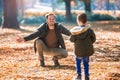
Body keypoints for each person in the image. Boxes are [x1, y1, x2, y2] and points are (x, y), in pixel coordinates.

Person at [70, 13, 96, 80]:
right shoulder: (89, 30)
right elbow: (94, 38)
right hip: (87, 50)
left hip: (78, 50)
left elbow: (71, 39)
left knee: (78, 62)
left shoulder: (75, 31)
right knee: (86, 63)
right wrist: (89, 43)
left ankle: (79, 76)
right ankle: (87, 76)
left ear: (78, 21)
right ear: (86, 21)